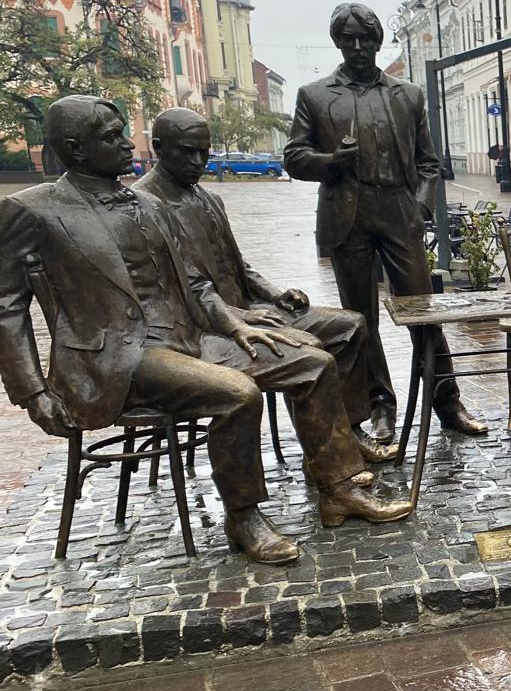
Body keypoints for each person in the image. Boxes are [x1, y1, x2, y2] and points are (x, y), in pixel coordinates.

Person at [0, 97, 335, 564]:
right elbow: (7, 307)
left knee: (313, 361)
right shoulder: (31, 210)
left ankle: (339, 489)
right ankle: (244, 517)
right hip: (117, 359)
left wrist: (235, 324)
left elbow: (194, 283)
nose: (127, 143)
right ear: (75, 149)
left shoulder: (148, 202)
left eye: (123, 132)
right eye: (112, 136)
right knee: (237, 393)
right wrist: (33, 393)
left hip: (187, 339)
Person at [138, 108, 398, 473]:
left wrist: (275, 294)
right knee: (306, 350)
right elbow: (184, 290)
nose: (198, 161)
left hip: (250, 309)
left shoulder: (208, 198)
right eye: (187, 151)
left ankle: (346, 434)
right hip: (203, 328)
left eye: (204, 151)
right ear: (159, 147)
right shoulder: (144, 205)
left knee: (350, 325)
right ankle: (327, 455)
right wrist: (241, 318)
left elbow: (238, 265)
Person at [285, 3, 487, 443]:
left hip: (398, 208)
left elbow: (429, 163)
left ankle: (448, 402)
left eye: (366, 38)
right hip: (347, 213)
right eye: (349, 39)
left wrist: (420, 210)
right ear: (338, 42)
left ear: (378, 42)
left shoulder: (408, 95)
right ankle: (379, 405)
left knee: (423, 311)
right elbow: (294, 157)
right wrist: (330, 161)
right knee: (360, 320)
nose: (358, 46)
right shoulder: (314, 95)